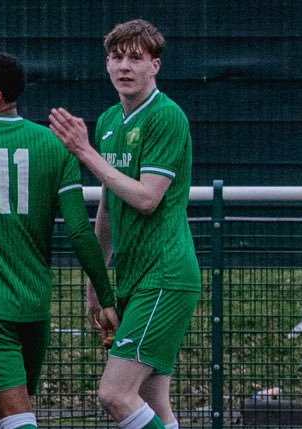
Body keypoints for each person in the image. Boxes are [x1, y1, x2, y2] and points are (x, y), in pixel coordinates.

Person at [0, 52, 115, 429]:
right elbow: (81, 232)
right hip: (34, 303)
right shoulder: (53, 145)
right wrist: (106, 297)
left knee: (16, 415)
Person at [48, 19, 200, 429]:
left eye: (136, 58)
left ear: (155, 66)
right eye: (117, 57)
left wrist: (85, 152)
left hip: (165, 274)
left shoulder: (167, 117)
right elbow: (109, 207)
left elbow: (147, 198)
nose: (124, 67)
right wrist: (97, 286)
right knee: (154, 403)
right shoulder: (111, 120)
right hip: (133, 276)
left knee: (114, 395)